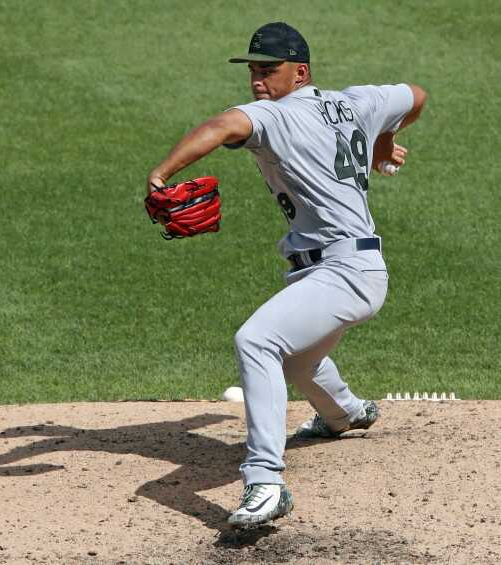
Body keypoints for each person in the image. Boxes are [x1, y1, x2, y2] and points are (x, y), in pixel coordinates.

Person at [146, 22, 427, 528]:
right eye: (253, 69)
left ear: (299, 72)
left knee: (256, 341)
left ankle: (266, 481)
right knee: (299, 362)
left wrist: (160, 175)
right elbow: (416, 95)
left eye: (267, 70)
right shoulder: (357, 102)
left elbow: (221, 126)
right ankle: (345, 413)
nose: (257, 79)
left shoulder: (273, 116)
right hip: (348, 269)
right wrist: (383, 141)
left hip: (344, 271)